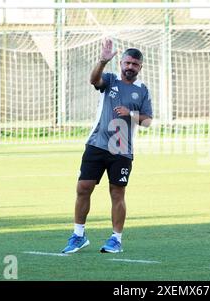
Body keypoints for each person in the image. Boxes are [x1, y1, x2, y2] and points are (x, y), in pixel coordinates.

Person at [62, 38, 153, 254]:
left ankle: (116, 239)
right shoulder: (110, 80)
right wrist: (102, 61)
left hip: (122, 149)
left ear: (140, 67)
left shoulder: (142, 90)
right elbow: (93, 80)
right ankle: (78, 235)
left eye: (135, 64)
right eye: (127, 63)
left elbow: (148, 120)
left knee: (117, 193)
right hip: (96, 144)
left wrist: (130, 114)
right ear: (121, 63)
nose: (130, 67)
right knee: (83, 188)